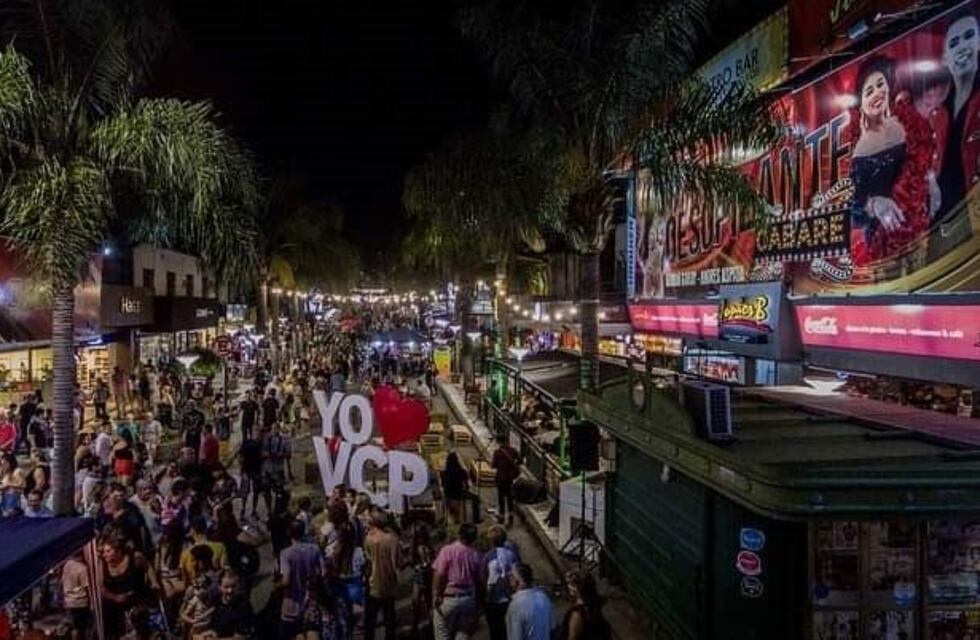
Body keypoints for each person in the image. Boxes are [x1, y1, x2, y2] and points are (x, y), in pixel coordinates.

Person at [847, 54, 934, 263]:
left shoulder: (908, 121)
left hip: (925, 229)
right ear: (861, 102)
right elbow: (850, 205)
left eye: (880, 85)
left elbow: (927, 156)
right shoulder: (855, 146)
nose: (876, 93)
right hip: (881, 245)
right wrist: (873, 204)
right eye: (869, 91)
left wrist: (931, 177)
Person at [932, 9, 980, 218]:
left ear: (979, 42)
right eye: (954, 43)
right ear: (945, 58)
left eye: (969, 36)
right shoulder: (937, 115)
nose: (962, 46)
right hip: (943, 226)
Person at [432, 523, 483, 640]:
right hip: (468, 598)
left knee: (442, 630)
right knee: (463, 633)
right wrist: (479, 602)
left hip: (448, 598)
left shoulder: (447, 550)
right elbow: (479, 580)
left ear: (459, 535)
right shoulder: (476, 554)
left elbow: (439, 575)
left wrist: (436, 594)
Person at [279, 520, 324, 640]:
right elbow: (322, 573)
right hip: (310, 601)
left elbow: (286, 580)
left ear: (289, 533)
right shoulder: (314, 549)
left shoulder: (286, 554)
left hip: (292, 604)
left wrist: (277, 585)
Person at [364, 512, 401, 640]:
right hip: (389, 582)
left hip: (373, 583)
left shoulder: (369, 539)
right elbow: (398, 562)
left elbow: (368, 560)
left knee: (370, 619)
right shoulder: (393, 539)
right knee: (389, 618)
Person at [483, 526, 520, 640]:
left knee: (495, 631)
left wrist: (486, 598)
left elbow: (489, 580)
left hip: (495, 599)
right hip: (509, 597)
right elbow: (516, 576)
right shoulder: (512, 555)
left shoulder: (488, 557)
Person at [556, 570, 611, 640]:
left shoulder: (577, 613)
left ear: (577, 588)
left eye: (571, 584)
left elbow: (572, 637)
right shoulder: (593, 605)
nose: (568, 587)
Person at [505, 563, 553, 640]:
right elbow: (552, 628)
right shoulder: (544, 597)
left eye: (510, 576)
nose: (508, 579)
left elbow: (515, 637)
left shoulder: (516, 605)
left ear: (517, 580)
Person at [206, 570, 254, 640]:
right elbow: (214, 628)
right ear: (220, 587)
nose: (230, 590)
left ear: (238, 586)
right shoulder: (217, 602)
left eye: (233, 586)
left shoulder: (243, 606)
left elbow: (241, 637)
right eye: (226, 587)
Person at [62, 551, 92, 639]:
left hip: (69, 601)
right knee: (82, 629)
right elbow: (87, 587)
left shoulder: (67, 565)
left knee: (74, 626)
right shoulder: (82, 568)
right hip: (81, 603)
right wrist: (92, 603)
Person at [491, 437, 520, 526]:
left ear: (499, 442)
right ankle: (511, 516)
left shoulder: (497, 452)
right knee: (509, 497)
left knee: (501, 498)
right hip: (510, 478)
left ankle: (501, 516)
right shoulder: (513, 451)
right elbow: (520, 461)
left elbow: (494, 465)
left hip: (501, 478)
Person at [441, 451, 470, 524]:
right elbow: (466, 485)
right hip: (457, 495)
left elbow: (443, 484)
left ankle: (445, 518)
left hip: (447, 495)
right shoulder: (462, 472)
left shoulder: (444, 472)